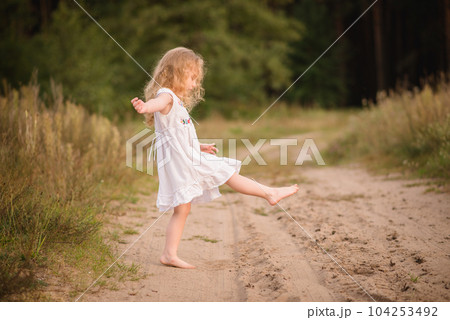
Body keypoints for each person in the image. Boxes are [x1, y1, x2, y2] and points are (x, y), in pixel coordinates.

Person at [131, 47, 299, 269]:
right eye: (192, 78)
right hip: (182, 161)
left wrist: (198, 146)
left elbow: (177, 134)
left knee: (183, 208)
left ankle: (169, 254)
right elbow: (157, 104)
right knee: (226, 172)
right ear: (177, 73)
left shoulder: (176, 101)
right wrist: (145, 107)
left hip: (183, 156)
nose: (194, 84)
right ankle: (270, 193)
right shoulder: (166, 96)